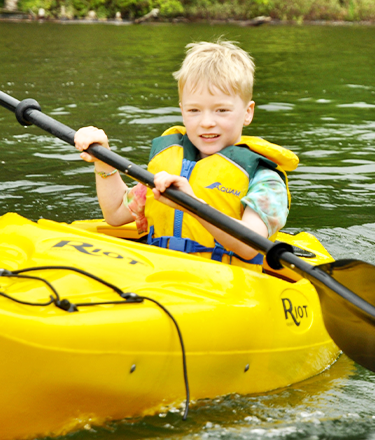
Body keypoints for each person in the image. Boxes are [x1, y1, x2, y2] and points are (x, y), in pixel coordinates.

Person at [73, 39, 298, 273]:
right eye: (194, 110)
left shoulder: (263, 178)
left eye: (221, 110)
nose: (207, 122)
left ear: (247, 113)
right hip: (162, 276)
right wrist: (103, 159)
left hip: (227, 288)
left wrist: (191, 204)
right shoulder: (170, 164)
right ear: (182, 110)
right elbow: (116, 213)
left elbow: (249, 245)